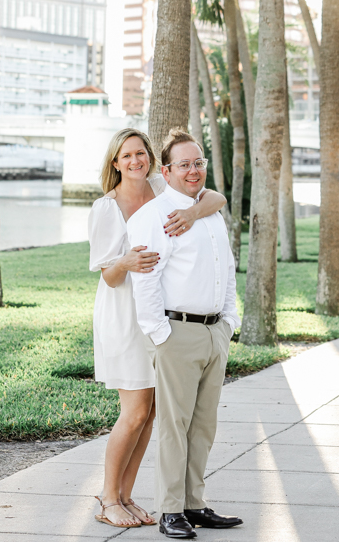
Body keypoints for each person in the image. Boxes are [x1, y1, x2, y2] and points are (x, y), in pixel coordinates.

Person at [88, 127, 227, 529]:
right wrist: (125, 262)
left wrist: (192, 213)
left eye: (141, 153)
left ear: (152, 160)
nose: (135, 161)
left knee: (150, 414)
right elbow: (108, 276)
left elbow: (215, 198)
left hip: (161, 312)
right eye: (126, 155)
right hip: (125, 314)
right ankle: (108, 498)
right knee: (134, 412)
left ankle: (126, 496)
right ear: (115, 163)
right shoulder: (106, 208)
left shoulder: (161, 189)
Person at [127, 129, 244, 540]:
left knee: (203, 426)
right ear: (166, 171)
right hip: (177, 332)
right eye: (184, 165)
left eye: (198, 163)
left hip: (214, 332)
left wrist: (229, 321)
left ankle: (195, 504)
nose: (193, 171)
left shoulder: (209, 211)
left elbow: (226, 268)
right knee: (174, 427)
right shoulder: (153, 217)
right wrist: (161, 334)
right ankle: (170, 510)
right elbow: (145, 280)